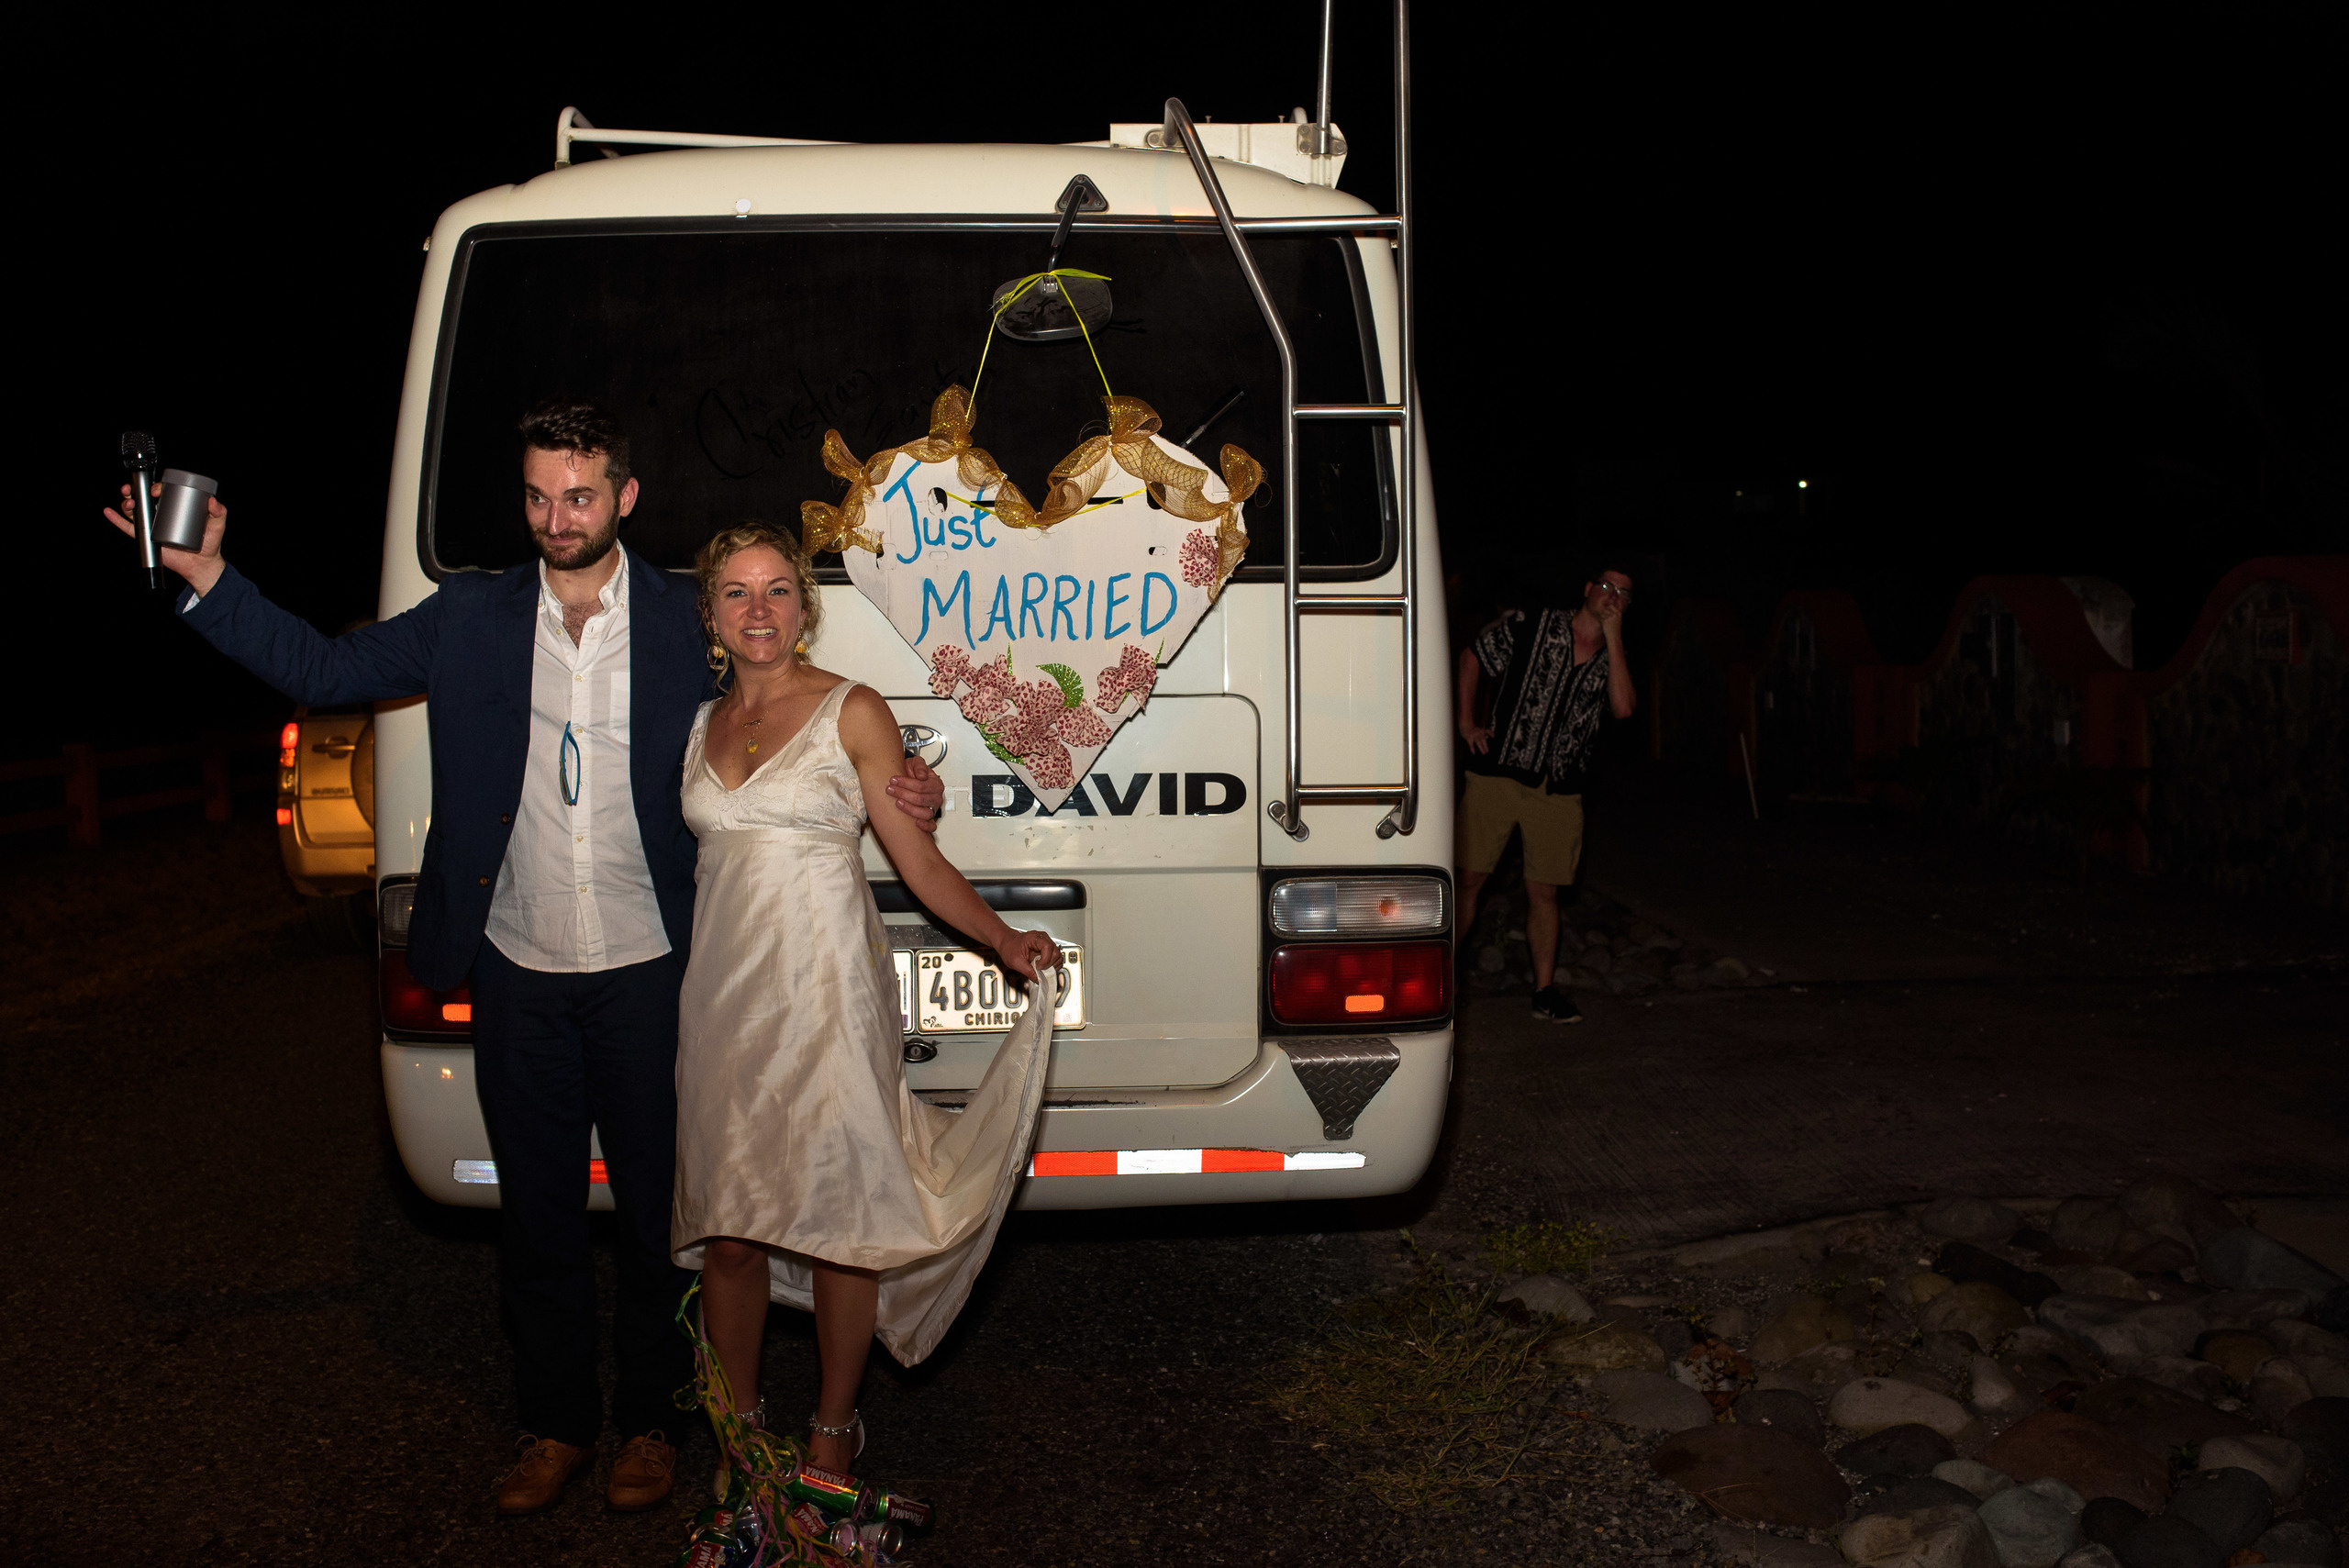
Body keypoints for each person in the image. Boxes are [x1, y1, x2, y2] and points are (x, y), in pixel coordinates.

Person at [102, 401, 947, 1517]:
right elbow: (321, 664)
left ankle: (652, 1419)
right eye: (541, 495)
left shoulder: (687, 620)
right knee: (537, 1215)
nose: (558, 517)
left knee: (663, 1218)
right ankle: (554, 1423)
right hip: (516, 964)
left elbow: (790, 719)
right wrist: (209, 576)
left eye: (582, 495)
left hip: (656, 966)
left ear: (624, 498)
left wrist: (908, 785)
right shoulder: (469, 615)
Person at [673, 522, 1062, 1483]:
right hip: (721, 995)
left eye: (775, 590)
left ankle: (834, 1428)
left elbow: (915, 857)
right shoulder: (698, 722)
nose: (757, 609)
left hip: (826, 988)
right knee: (728, 1227)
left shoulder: (853, 710)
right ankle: (743, 1427)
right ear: (712, 614)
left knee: (840, 1212)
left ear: (804, 606)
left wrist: (1002, 937)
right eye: (735, 592)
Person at [1456, 564, 1638, 1024]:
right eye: (1606, 587)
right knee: (1471, 879)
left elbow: (1623, 708)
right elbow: (1473, 656)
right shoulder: (1532, 624)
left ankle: (1543, 992)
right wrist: (1465, 723)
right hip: (1499, 775)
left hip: (1559, 790)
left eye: (1623, 594)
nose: (1612, 597)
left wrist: (1614, 639)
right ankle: (1441, 979)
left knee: (1545, 892)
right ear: (1587, 589)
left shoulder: (1612, 657)